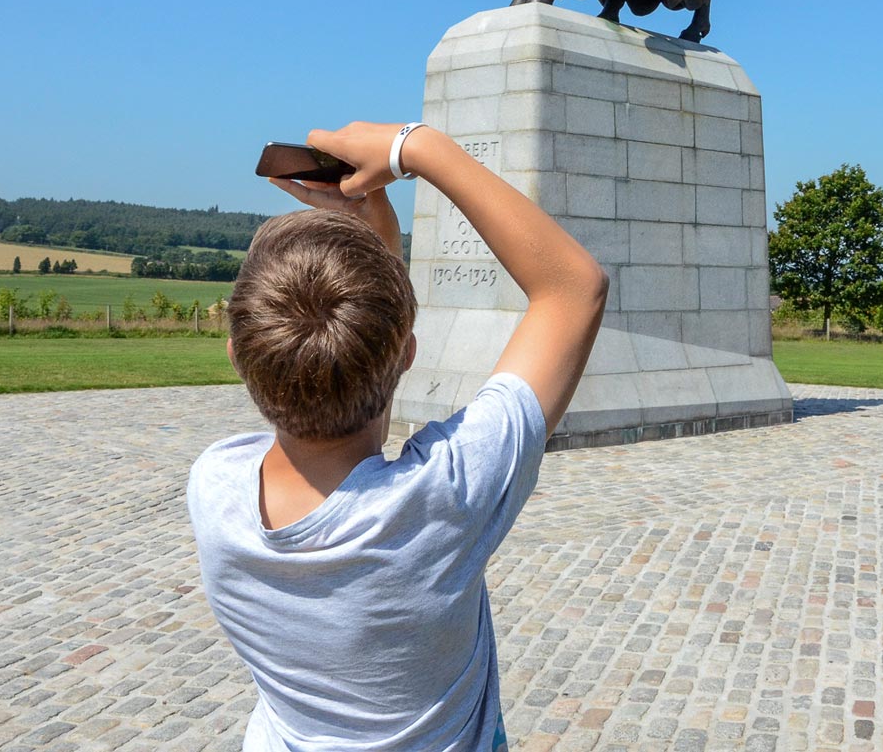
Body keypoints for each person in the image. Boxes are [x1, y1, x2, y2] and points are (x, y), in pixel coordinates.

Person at [188, 122, 609, 750]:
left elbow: (353, 373)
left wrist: (377, 234)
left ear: (236, 357)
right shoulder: (445, 500)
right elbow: (574, 289)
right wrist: (415, 148)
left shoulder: (215, 486)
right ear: (409, 352)